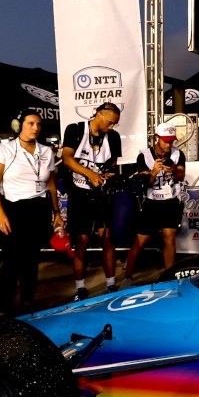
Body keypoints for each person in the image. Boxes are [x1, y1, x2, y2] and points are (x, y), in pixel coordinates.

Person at [0, 109, 63, 314]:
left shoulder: (46, 151)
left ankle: (28, 301)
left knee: (31, 259)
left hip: (39, 209)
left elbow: (51, 184)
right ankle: (2, 307)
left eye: (38, 124)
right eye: (30, 123)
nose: (35, 128)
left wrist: (56, 213)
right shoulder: (4, 150)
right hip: (13, 209)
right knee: (12, 260)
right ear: (19, 126)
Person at [61, 102, 123, 300]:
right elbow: (67, 158)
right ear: (99, 115)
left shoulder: (113, 137)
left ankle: (111, 285)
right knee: (81, 240)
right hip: (79, 192)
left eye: (114, 124)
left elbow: (112, 165)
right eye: (110, 122)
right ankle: (80, 288)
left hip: (101, 193)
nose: (111, 127)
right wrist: (90, 173)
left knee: (107, 237)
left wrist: (108, 175)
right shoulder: (75, 129)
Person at [122, 122, 187, 286]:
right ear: (157, 137)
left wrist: (173, 170)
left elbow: (181, 176)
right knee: (140, 240)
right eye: (165, 141)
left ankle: (169, 278)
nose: (168, 144)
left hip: (171, 202)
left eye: (171, 141)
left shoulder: (178, 154)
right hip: (152, 203)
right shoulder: (144, 155)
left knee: (169, 239)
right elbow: (145, 183)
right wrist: (154, 172)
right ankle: (127, 277)